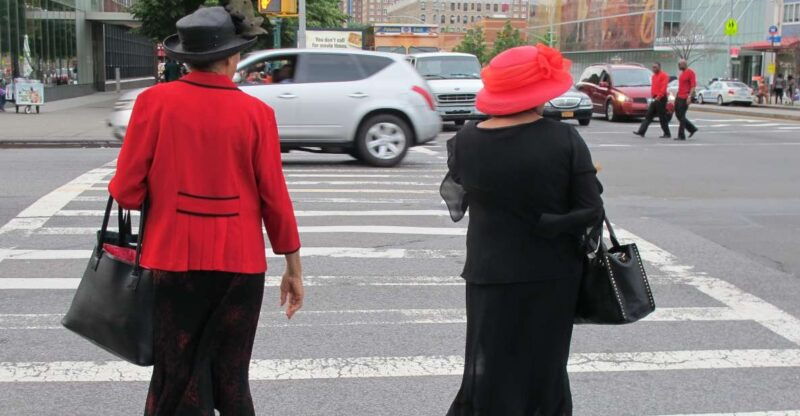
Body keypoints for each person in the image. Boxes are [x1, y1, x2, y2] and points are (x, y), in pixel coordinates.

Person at [108, 7, 303, 415]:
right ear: (232, 58)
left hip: (173, 260)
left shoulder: (153, 103)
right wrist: (293, 266)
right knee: (231, 377)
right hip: (239, 266)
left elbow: (126, 191)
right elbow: (274, 197)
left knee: (175, 374)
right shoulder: (258, 115)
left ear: (185, 58)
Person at [441, 44, 604, 416]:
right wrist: (551, 221)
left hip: (487, 272)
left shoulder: (466, 139)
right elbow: (590, 210)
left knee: (490, 361)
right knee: (543, 366)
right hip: (549, 275)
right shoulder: (563, 140)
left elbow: (461, 197)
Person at [634, 62, 671, 138]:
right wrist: (653, 97)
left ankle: (667, 133)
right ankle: (641, 131)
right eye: (653, 67)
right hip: (655, 98)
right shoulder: (653, 76)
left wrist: (659, 96)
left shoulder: (664, 75)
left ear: (659, 67)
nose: (654, 69)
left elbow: (663, 88)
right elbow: (654, 88)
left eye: (655, 67)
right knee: (648, 115)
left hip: (661, 98)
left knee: (662, 117)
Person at [674, 59, 698, 140]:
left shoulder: (690, 72)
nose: (679, 66)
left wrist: (689, 97)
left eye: (679, 64)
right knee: (678, 114)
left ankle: (681, 135)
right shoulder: (682, 73)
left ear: (684, 64)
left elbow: (693, 86)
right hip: (679, 96)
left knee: (682, 115)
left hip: (685, 97)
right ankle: (692, 128)